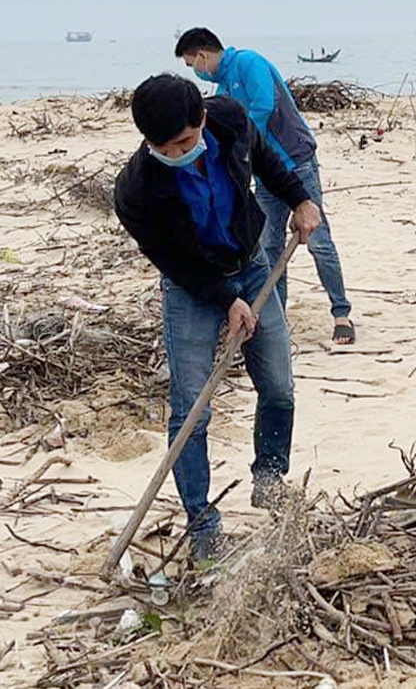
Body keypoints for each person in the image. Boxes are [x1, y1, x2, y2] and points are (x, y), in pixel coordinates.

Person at [114, 75, 320, 561]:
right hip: (193, 287)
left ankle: (269, 478)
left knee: (278, 384)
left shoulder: (227, 119)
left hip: (251, 265)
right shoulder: (136, 189)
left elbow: (266, 157)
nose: (175, 152)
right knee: (192, 407)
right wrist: (226, 299)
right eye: (162, 147)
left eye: (184, 142)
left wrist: (300, 199)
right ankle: (202, 524)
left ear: (201, 120)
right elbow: (172, 260)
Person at [176, 28, 355, 345]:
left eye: (192, 64)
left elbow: (263, 106)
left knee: (318, 241)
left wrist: (240, 146)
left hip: (295, 161)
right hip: (265, 177)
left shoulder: (248, 63)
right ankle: (278, 318)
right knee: (269, 249)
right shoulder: (221, 85)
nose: (195, 71)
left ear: (202, 56)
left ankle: (341, 313)